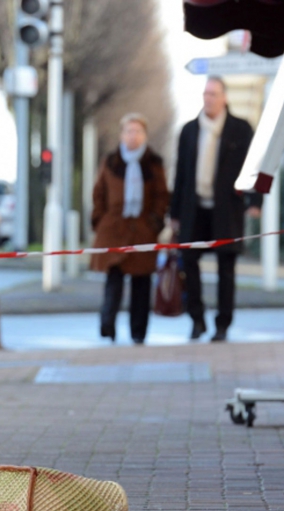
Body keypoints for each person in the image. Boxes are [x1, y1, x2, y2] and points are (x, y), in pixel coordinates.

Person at [170, 77, 261, 342]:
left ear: (224, 97)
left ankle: (223, 324)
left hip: (227, 209)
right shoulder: (188, 130)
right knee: (189, 263)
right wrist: (174, 213)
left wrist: (255, 202)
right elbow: (180, 174)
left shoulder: (241, 129)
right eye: (205, 93)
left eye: (213, 94)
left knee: (226, 268)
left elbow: (253, 167)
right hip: (193, 208)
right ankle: (196, 319)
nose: (208, 98)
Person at [91, 113, 169, 345]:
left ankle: (138, 332)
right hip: (113, 229)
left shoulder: (154, 164)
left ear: (144, 135)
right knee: (113, 281)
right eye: (128, 131)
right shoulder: (110, 162)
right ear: (121, 134)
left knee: (141, 284)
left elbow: (162, 195)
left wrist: (155, 222)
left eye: (136, 131)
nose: (132, 136)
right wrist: (99, 220)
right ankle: (108, 325)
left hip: (143, 230)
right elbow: (99, 193)